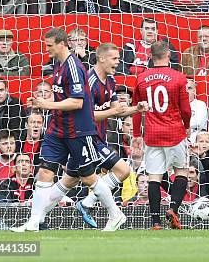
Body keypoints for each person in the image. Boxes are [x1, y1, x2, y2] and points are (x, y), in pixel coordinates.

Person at [11, 28, 125, 232]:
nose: (46, 50)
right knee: (45, 170)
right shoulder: (57, 64)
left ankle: (115, 214)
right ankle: (34, 222)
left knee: (88, 177)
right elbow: (61, 96)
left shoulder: (74, 66)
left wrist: (48, 106)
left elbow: (77, 102)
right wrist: (42, 101)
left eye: (50, 46)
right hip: (57, 129)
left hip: (78, 131)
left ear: (62, 44)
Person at [75, 43, 147, 228]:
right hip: (86, 138)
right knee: (123, 170)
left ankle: (38, 219)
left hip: (97, 137)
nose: (118, 62)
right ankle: (111, 213)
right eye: (114, 59)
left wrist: (135, 109)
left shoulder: (111, 81)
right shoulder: (89, 82)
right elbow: (88, 115)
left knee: (65, 182)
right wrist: (110, 111)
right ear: (101, 58)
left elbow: (117, 111)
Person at [132, 41, 191, 230]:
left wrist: (135, 133)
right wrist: (187, 125)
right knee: (181, 171)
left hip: (152, 134)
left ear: (150, 56)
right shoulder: (179, 77)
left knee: (154, 178)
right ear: (168, 55)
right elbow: (185, 109)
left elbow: (136, 109)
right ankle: (173, 208)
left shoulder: (141, 78)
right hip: (174, 132)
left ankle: (155, 222)